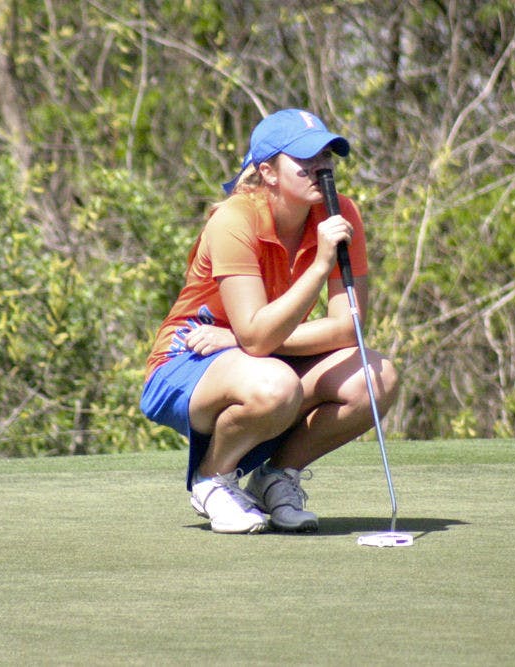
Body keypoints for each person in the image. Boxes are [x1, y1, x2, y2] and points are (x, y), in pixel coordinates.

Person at [141, 108, 399, 534]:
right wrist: (318, 268)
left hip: (245, 351)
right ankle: (212, 479)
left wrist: (239, 340)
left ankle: (276, 477)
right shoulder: (234, 219)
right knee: (277, 385)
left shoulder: (341, 215)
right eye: (306, 162)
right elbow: (257, 337)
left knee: (377, 377)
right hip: (186, 357)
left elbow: (347, 328)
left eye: (327, 158)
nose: (321, 170)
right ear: (269, 172)